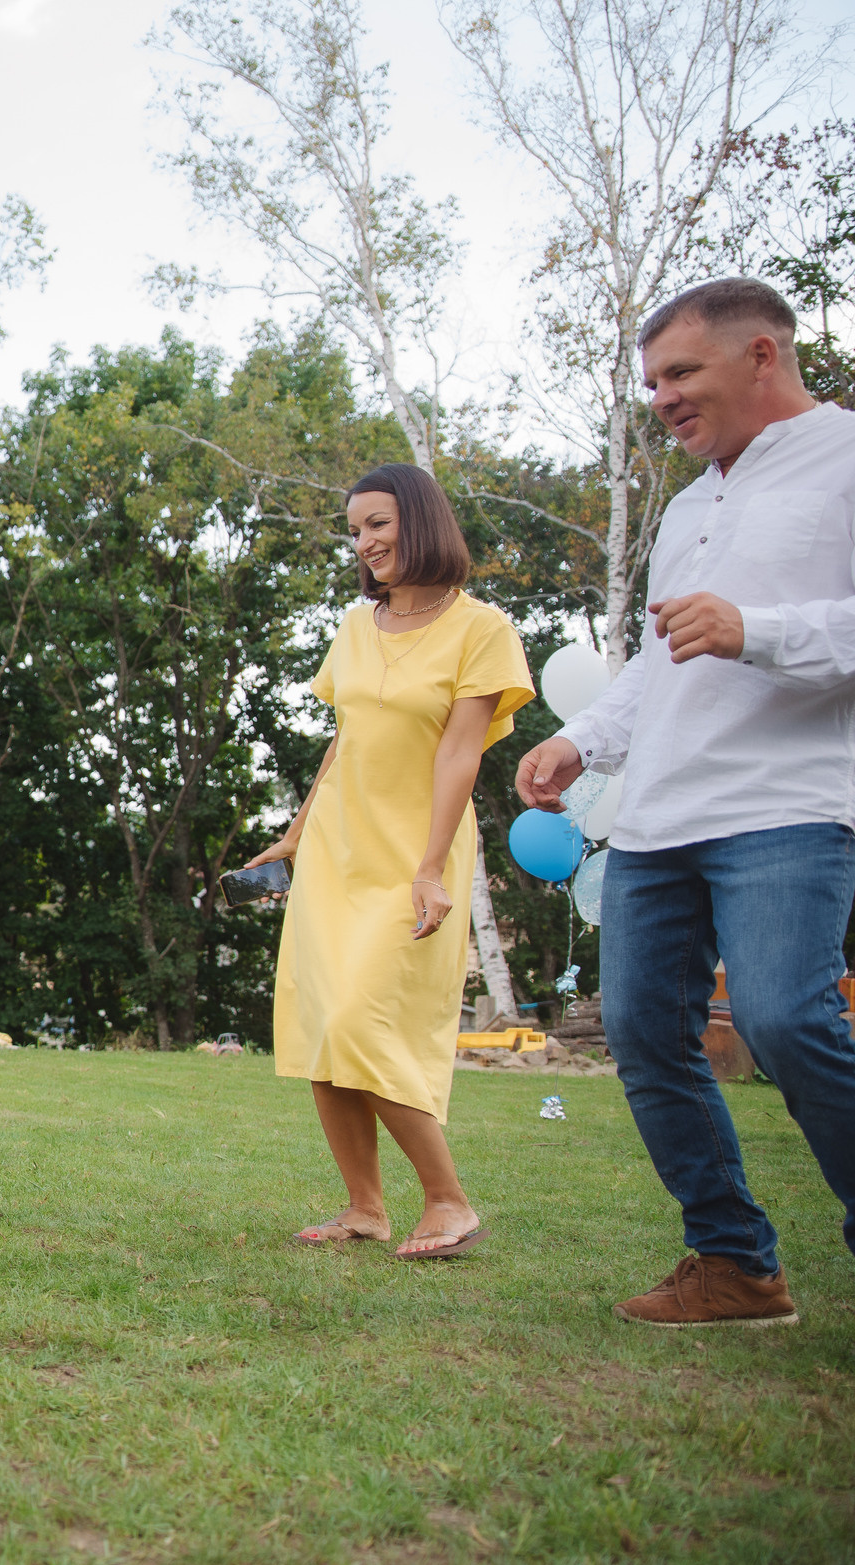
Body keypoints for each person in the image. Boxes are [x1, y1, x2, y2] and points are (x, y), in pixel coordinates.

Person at [517, 277, 855, 1328]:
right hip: (662, 814)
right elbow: (662, 665)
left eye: (681, 373)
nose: (660, 398)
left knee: (785, 1015)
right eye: (651, 380)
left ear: (762, 355)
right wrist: (582, 738)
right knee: (642, 1034)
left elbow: (759, 631)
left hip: (785, 803)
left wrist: (757, 629)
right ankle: (732, 1265)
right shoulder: (690, 505)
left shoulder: (844, 461)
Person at [249, 465, 533, 1257]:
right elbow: (346, 739)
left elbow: (458, 756)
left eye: (378, 523)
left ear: (420, 519)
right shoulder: (354, 626)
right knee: (319, 1028)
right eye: (354, 530)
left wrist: (432, 866)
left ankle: (448, 1201)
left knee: (360, 1018)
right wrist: (297, 833)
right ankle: (363, 1208)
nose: (364, 542)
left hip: (414, 850)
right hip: (338, 847)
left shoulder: (483, 629)